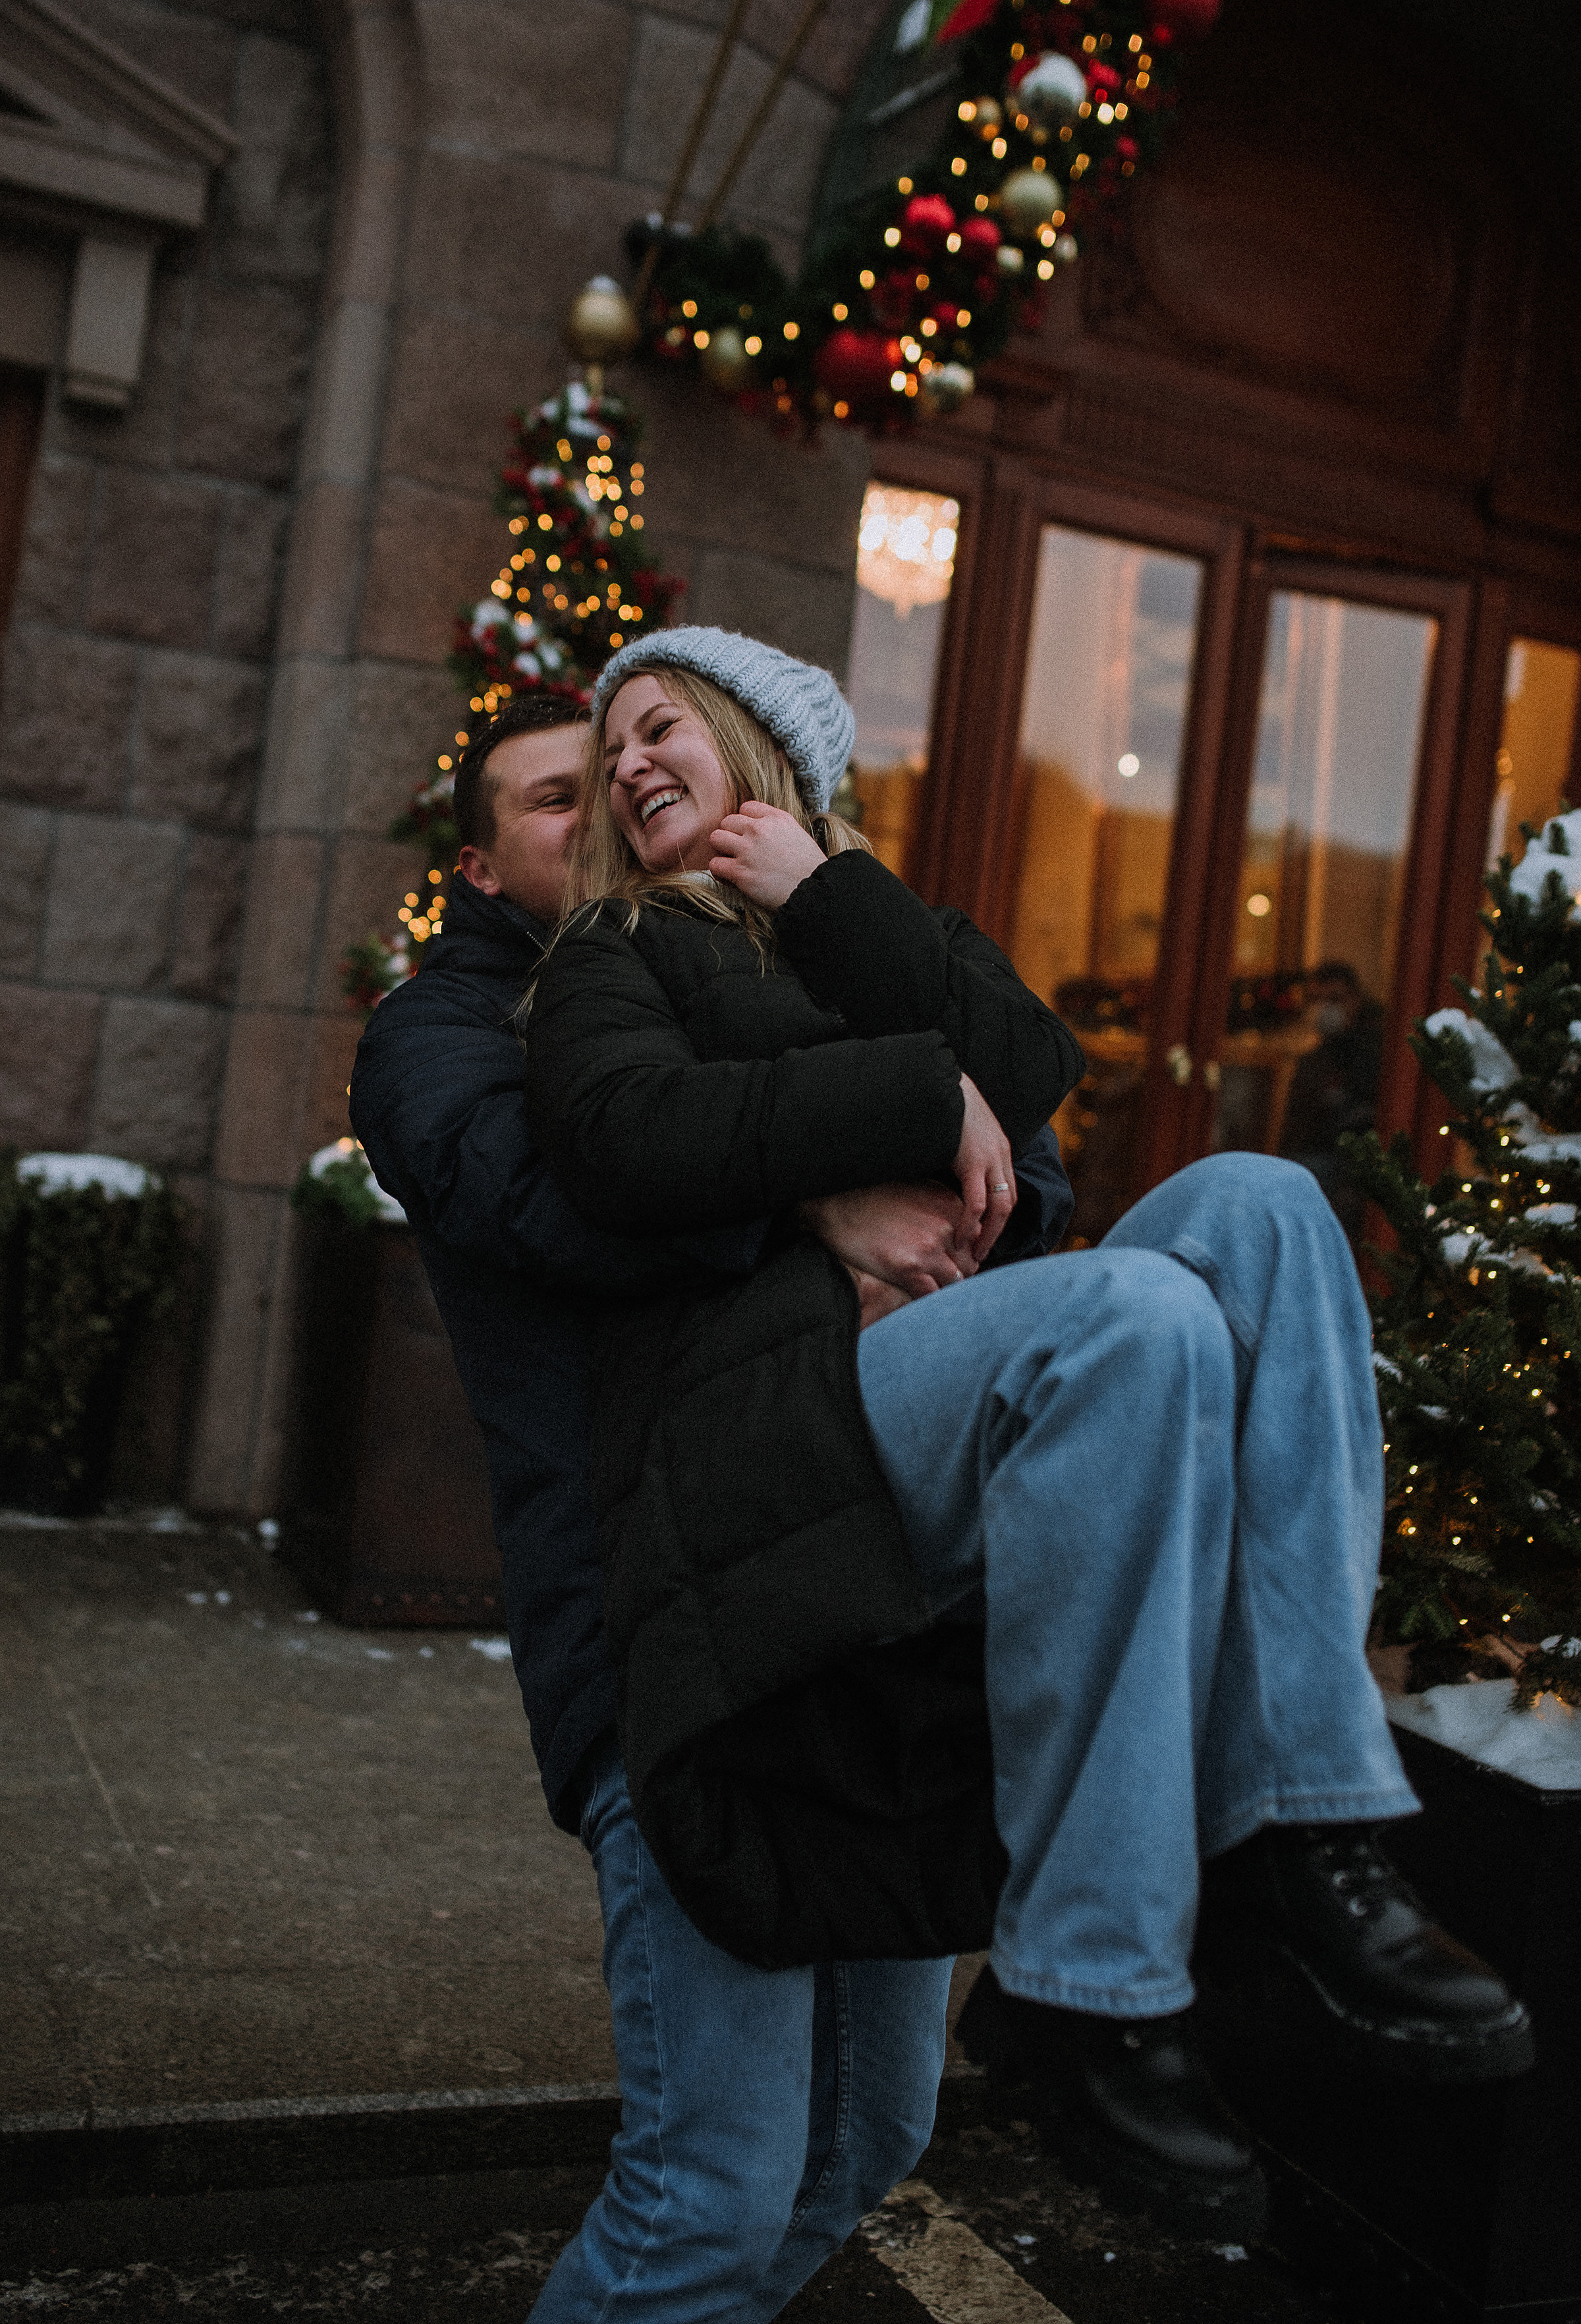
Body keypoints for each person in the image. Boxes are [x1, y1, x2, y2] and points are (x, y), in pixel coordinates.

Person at [519, 626, 1534, 2248]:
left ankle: (1301, 1840)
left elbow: (1032, 1074)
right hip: (774, 1426)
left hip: (944, 1386)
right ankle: (1086, 1984)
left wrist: (824, 892)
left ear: (753, 749)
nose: (630, 759)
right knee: (1129, 1321)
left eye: (661, 728)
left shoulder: (865, 923)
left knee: (1267, 1208)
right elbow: (621, 1136)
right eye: (611, 744)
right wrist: (890, 1129)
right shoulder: (616, 956)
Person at [350, 691, 1075, 2322]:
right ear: (480, 865)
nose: (601, 796)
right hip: (650, 1621)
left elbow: (1023, 1164)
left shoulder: (755, 956)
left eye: (614, 766)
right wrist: (830, 1186)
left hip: (861, 1611)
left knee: (869, 2133)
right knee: (712, 2178)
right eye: (555, 795)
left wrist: (915, 1138)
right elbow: (568, 1199)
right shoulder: (447, 1032)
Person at [1279, 960, 1385, 1236]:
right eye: (1316, 1000)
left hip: (1348, 1170)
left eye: (1335, 999)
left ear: (1355, 1001)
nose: (1325, 1009)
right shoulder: (1316, 1053)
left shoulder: (1375, 1051)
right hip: (1313, 1160)